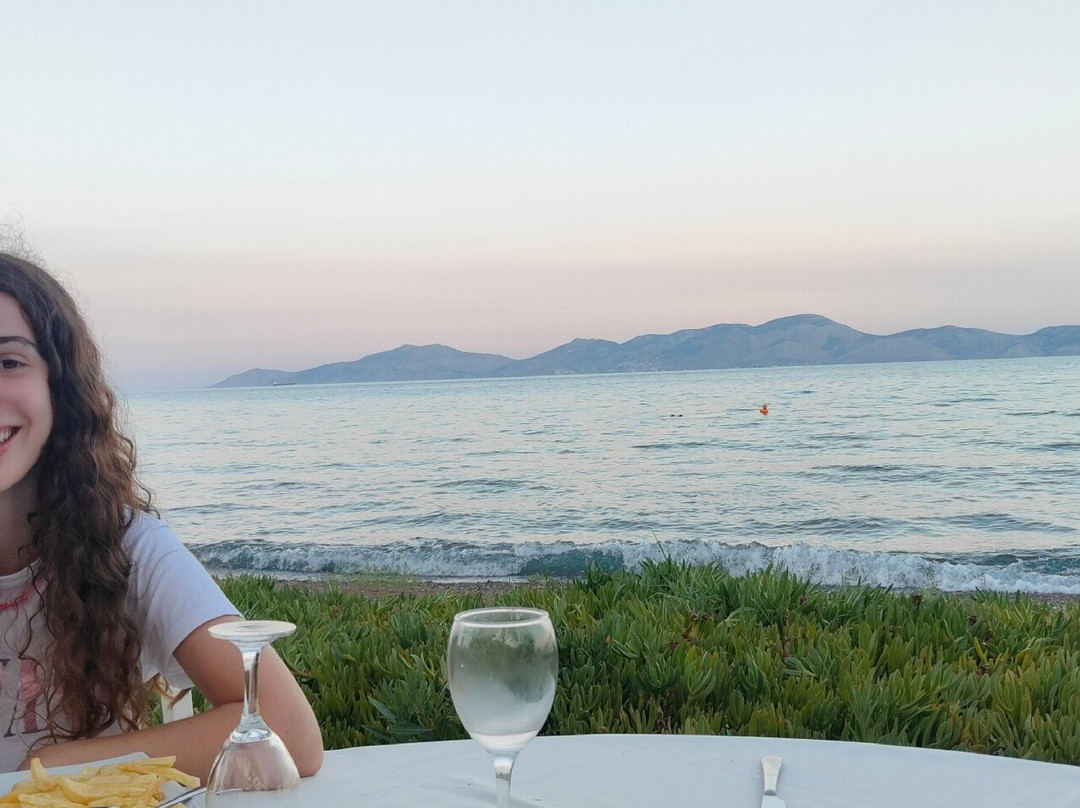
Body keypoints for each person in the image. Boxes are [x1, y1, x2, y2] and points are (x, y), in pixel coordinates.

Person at [0, 253, 324, 778]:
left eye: (8, 362)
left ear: (59, 387)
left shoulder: (125, 548)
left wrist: (50, 766)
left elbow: (288, 732)